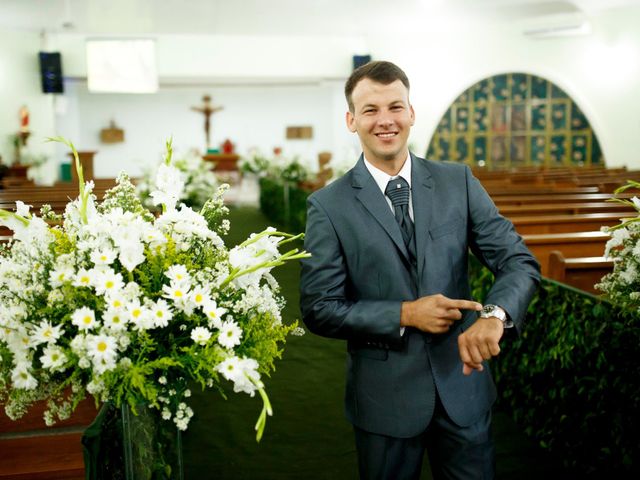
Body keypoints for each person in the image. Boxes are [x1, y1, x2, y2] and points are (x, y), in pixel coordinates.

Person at [299, 61, 540, 479]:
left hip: (462, 385)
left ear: (411, 112)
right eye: (370, 110)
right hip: (384, 398)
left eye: (395, 106)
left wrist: (495, 316)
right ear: (351, 120)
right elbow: (320, 307)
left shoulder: (457, 182)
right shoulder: (328, 206)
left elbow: (518, 261)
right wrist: (405, 314)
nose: (385, 120)